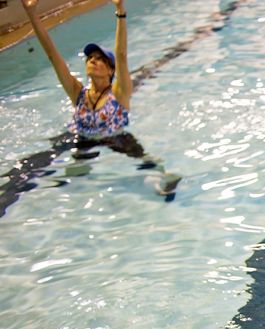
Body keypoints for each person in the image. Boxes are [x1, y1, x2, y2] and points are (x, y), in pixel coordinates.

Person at [21, 0, 179, 196]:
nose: (93, 60)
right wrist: (31, 14)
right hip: (82, 138)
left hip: (115, 137)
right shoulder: (77, 92)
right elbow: (52, 55)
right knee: (69, 178)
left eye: (99, 58)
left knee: (148, 162)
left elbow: (121, 55)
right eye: (90, 58)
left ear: (111, 70)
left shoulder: (119, 93)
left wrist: (120, 11)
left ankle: (162, 182)